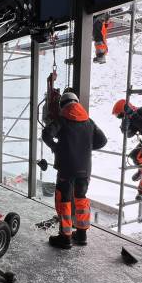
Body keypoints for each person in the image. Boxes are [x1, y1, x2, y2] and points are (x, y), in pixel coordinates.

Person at [42, 91, 107, 249]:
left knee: (64, 201)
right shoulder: (89, 122)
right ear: (77, 103)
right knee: (81, 199)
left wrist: (56, 148)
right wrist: (85, 148)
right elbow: (102, 140)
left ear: (63, 105)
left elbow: (46, 134)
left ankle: (65, 237)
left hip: (66, 168)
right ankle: (82, 234)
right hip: (84, 169)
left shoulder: (62, 120)